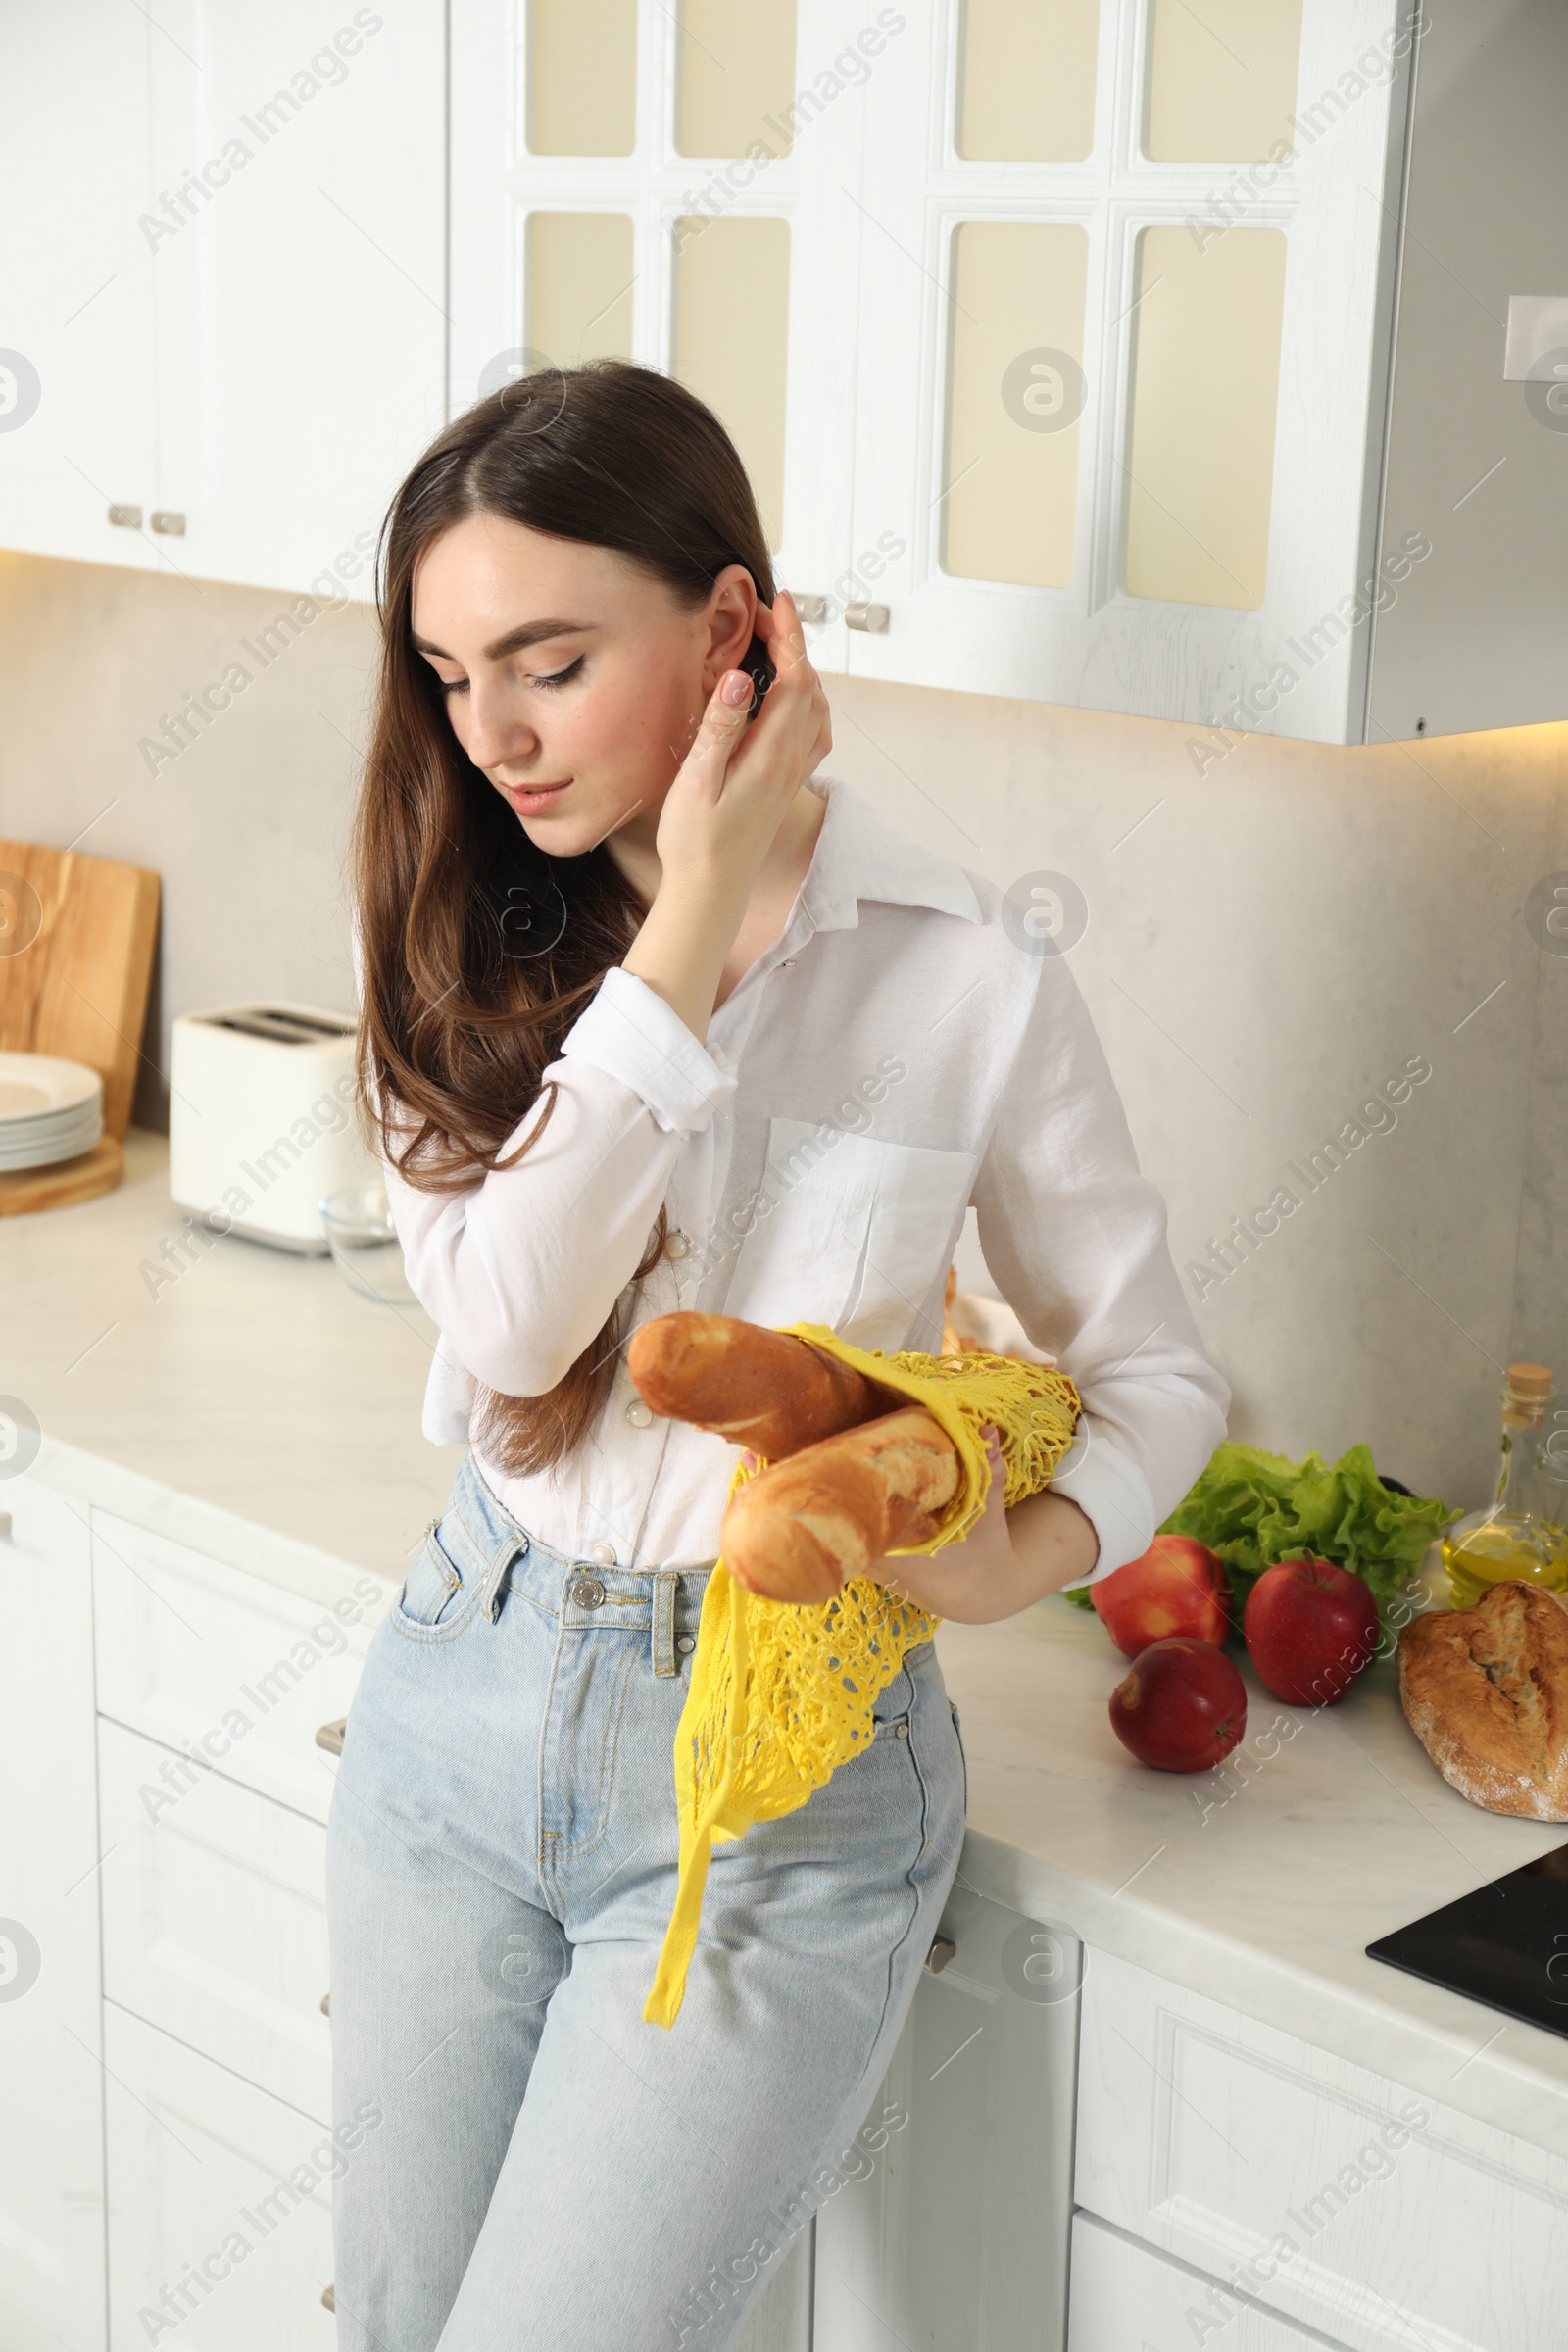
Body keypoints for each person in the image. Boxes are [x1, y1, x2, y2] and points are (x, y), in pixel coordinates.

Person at [326, 358, 1229, 2350]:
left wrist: (1017, 1555)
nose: (490, 739)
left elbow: (1157, 1377)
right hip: (453, 1700)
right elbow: (505, 1330)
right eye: (451, 673)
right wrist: (694, 914)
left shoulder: (969, 975)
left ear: (735, 628)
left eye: (547, 663)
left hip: (779, 1792)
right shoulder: (444, 922)